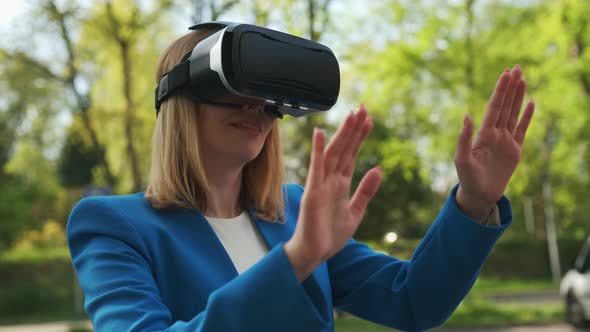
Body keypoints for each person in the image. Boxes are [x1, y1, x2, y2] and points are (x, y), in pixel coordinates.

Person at [67, 25, 535, 332]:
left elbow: (413, 300)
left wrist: (475, 202)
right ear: (181, 101)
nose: (258, 109)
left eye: (270, 97)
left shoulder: (293, 211)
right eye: (237, 89)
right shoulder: (111, 224)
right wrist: (296, 260)